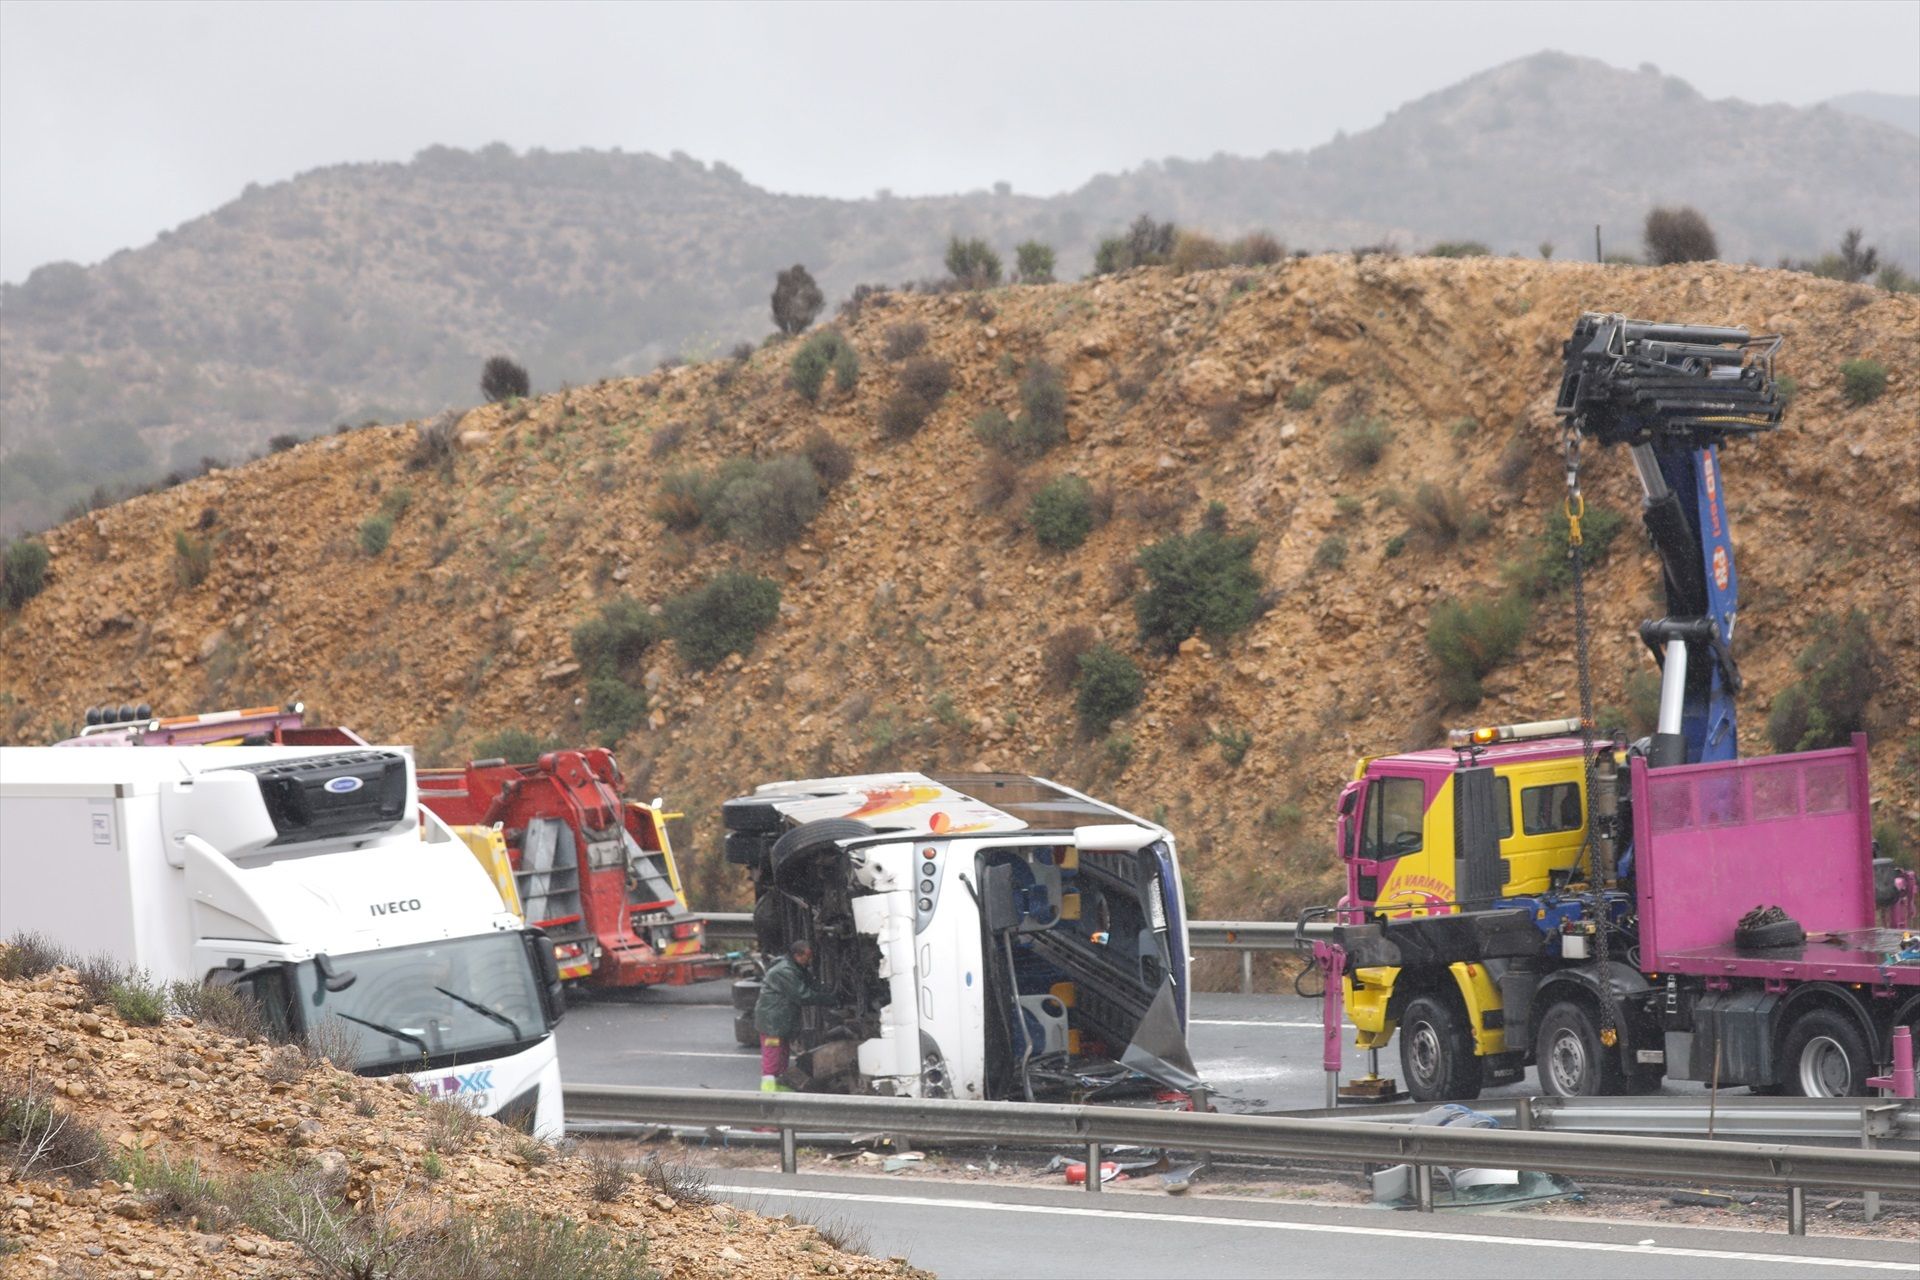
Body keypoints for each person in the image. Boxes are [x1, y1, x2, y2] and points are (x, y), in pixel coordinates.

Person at [753, 939, 834, 1092]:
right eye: (807, 957)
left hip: (780, 1020)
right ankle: (769, 1089)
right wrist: (827, 999)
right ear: (797, 955)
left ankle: (780, 1085)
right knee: (773, 1054)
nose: (809, 960)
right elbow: (801, 995)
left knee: (782, 1053)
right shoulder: (785, 971)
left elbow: (810, 985)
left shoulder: (794, 968)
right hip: (772, 1022)